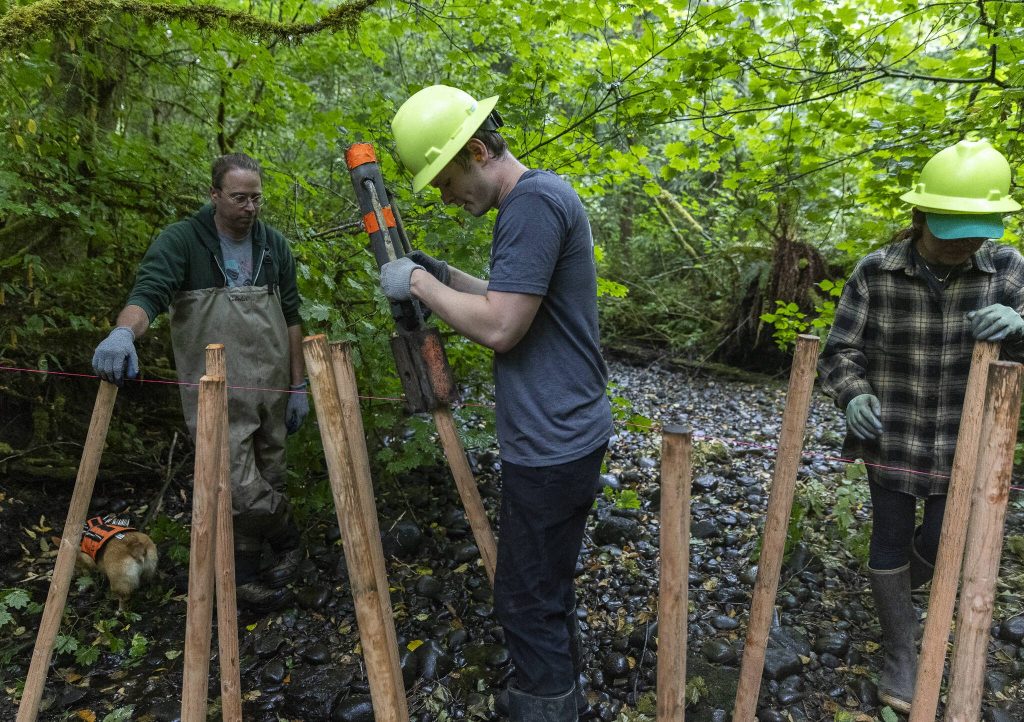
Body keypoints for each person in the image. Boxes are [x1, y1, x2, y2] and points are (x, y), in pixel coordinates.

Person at [381, 85, 613, 721]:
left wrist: (419, 283)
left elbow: (502, 325)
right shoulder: (539, 197)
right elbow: (514, 294)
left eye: (448, 182)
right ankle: (561, 695)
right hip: (567, 432)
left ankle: (547, 707)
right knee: (546, 589)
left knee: (523, 599)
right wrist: (445, 275)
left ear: (478, 152)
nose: (448, 199)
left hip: (553, 439)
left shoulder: (531, 203)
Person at [819, 138, 1024, 713]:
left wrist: (1019, 324)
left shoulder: (1008, 271)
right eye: (954, 234)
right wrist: (853, 395)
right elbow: (840, 352)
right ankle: (901, 650)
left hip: (968, 439)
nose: (966, 246)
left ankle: (907, 598)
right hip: (894, 433)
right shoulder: (877, 272)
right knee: (888, 536)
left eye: (976, 234)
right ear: (922, 218)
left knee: (940, 539)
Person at [91, 153, 309, 610]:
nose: (250, 208)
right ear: (214, 195)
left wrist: (298, 385)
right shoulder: (182, 242)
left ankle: (247, 576)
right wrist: (122, 332)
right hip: (215, 392)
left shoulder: (274, 246)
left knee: (271, 474)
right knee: (238, 485)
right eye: (238, 198)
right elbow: (147, 295)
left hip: (270, 386)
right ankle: (291, 541)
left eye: (256, 198)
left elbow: (291, 317)